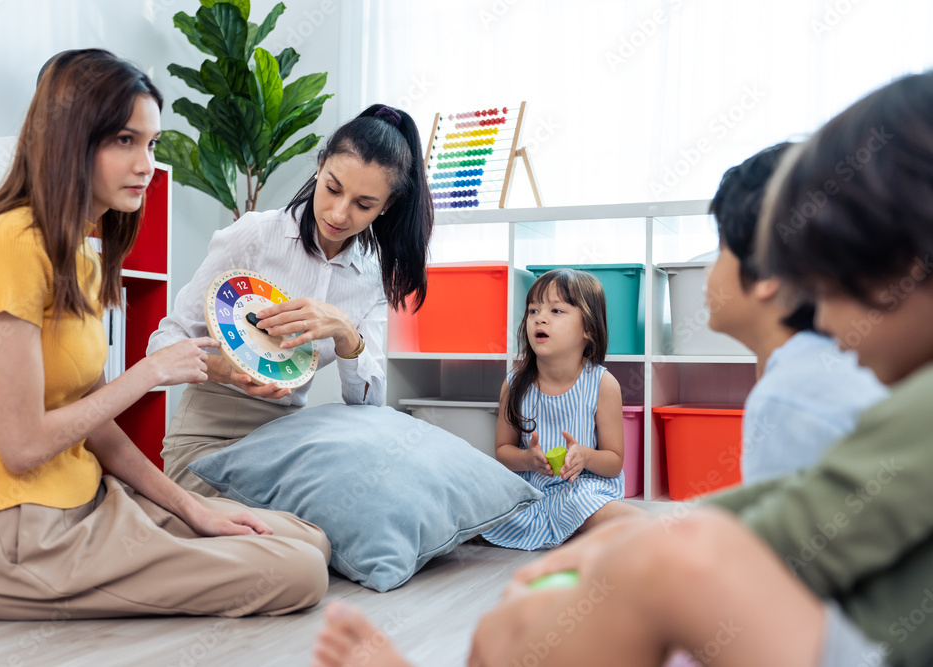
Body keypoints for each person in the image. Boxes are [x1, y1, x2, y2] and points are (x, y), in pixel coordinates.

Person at [310, 71, 933, 667]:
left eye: (841, 268)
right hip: (548, 500)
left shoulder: (799, 389)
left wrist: (640, 551)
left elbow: (796, 534)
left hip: (825, 622)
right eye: (534, 309)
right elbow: (800, 507)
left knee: (655, 561)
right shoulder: (519, 382)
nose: (823, 305)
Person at [0, 49, 330, 619]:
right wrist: (149, 373)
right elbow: (21, 447)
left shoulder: (79, 254)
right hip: (19, 533)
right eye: (125, 140)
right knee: (300, 571)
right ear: (71, 139)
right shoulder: (11, 244)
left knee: (307, 539)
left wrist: (196, 512)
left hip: (85, 496)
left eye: (150, 143)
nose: (146, 163)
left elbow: (96, 425)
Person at [148, 104, 434, 496]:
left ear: (386, 206)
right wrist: (225, 371)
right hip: (210, 433)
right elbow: (163, 341)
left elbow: (367, 401)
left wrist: (344, 331)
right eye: (332, 187)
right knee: (268, 544)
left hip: (288, 442)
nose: (338, 212)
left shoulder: (369, 276)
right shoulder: (256, 236)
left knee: (327, 533)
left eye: (363, 204)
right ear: (320, 166)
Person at [706, 142, 887, 483]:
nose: (707, 274)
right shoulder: (843, 366)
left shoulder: (787, 398)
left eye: (720, 250)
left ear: (765, 273)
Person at [479, 269, 635, 551]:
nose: (540, 317)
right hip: (529, 491)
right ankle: (569, 533)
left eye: (556, 310)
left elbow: (613, 462)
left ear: (588, 328)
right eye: (533, 310)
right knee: (474, 509)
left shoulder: (602, 384)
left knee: (619, 518)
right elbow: (502, 450)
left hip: (581, 489)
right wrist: (527, 460)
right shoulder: (514, 383)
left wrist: (585, 456)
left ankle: (672, 541)